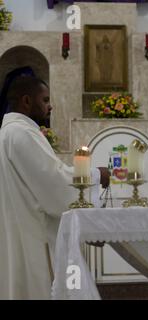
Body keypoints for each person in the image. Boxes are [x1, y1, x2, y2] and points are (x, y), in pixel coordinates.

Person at [0, 76, 110, 299]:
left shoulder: (8, 132)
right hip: (33, 234)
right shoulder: (21, 133)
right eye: (45, 99)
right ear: (27, 101)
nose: (50, 106)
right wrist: (96, 175)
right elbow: (55, 183)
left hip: (20, 226)